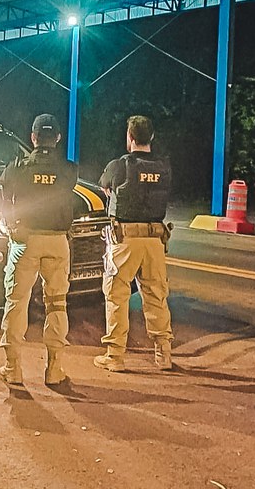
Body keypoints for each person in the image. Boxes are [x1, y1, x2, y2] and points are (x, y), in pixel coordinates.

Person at [0, 113, 78, 387]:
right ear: (57, 138)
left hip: (26, 241)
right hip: (57, 241)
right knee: (57, 304)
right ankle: (54, 369)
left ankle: (13, 368)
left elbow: (5, 193)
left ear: (33, 138)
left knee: (17, 302)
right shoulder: (69, 170)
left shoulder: (17, 167)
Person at [94, 115, 173, 373]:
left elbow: (105, 186)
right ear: (151, 137)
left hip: (125, 239)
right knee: (156, 295)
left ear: (129, 138)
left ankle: (115, 356)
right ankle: (163, 354)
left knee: (117, 295)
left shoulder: (119, 166)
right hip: (155, 240)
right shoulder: (164, 166)